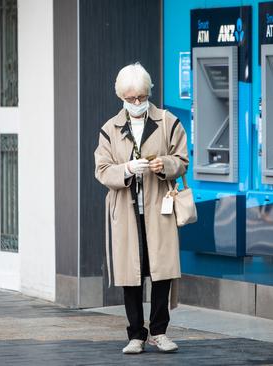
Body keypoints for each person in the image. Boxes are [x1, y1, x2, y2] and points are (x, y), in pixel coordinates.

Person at [94, 63, 189, 354]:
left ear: (149, 92)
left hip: (159, 208)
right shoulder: (110, 129)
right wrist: (126, 169)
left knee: (162, 271)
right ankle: (135, 334)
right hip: (126, 210)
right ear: (121, 96)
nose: (136, 103)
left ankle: (159, 331)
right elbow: (102, 170)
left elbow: (182, 159)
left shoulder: (167, 121)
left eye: (141, 96)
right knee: (130, 274)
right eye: (130, 98)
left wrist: (165, 165)